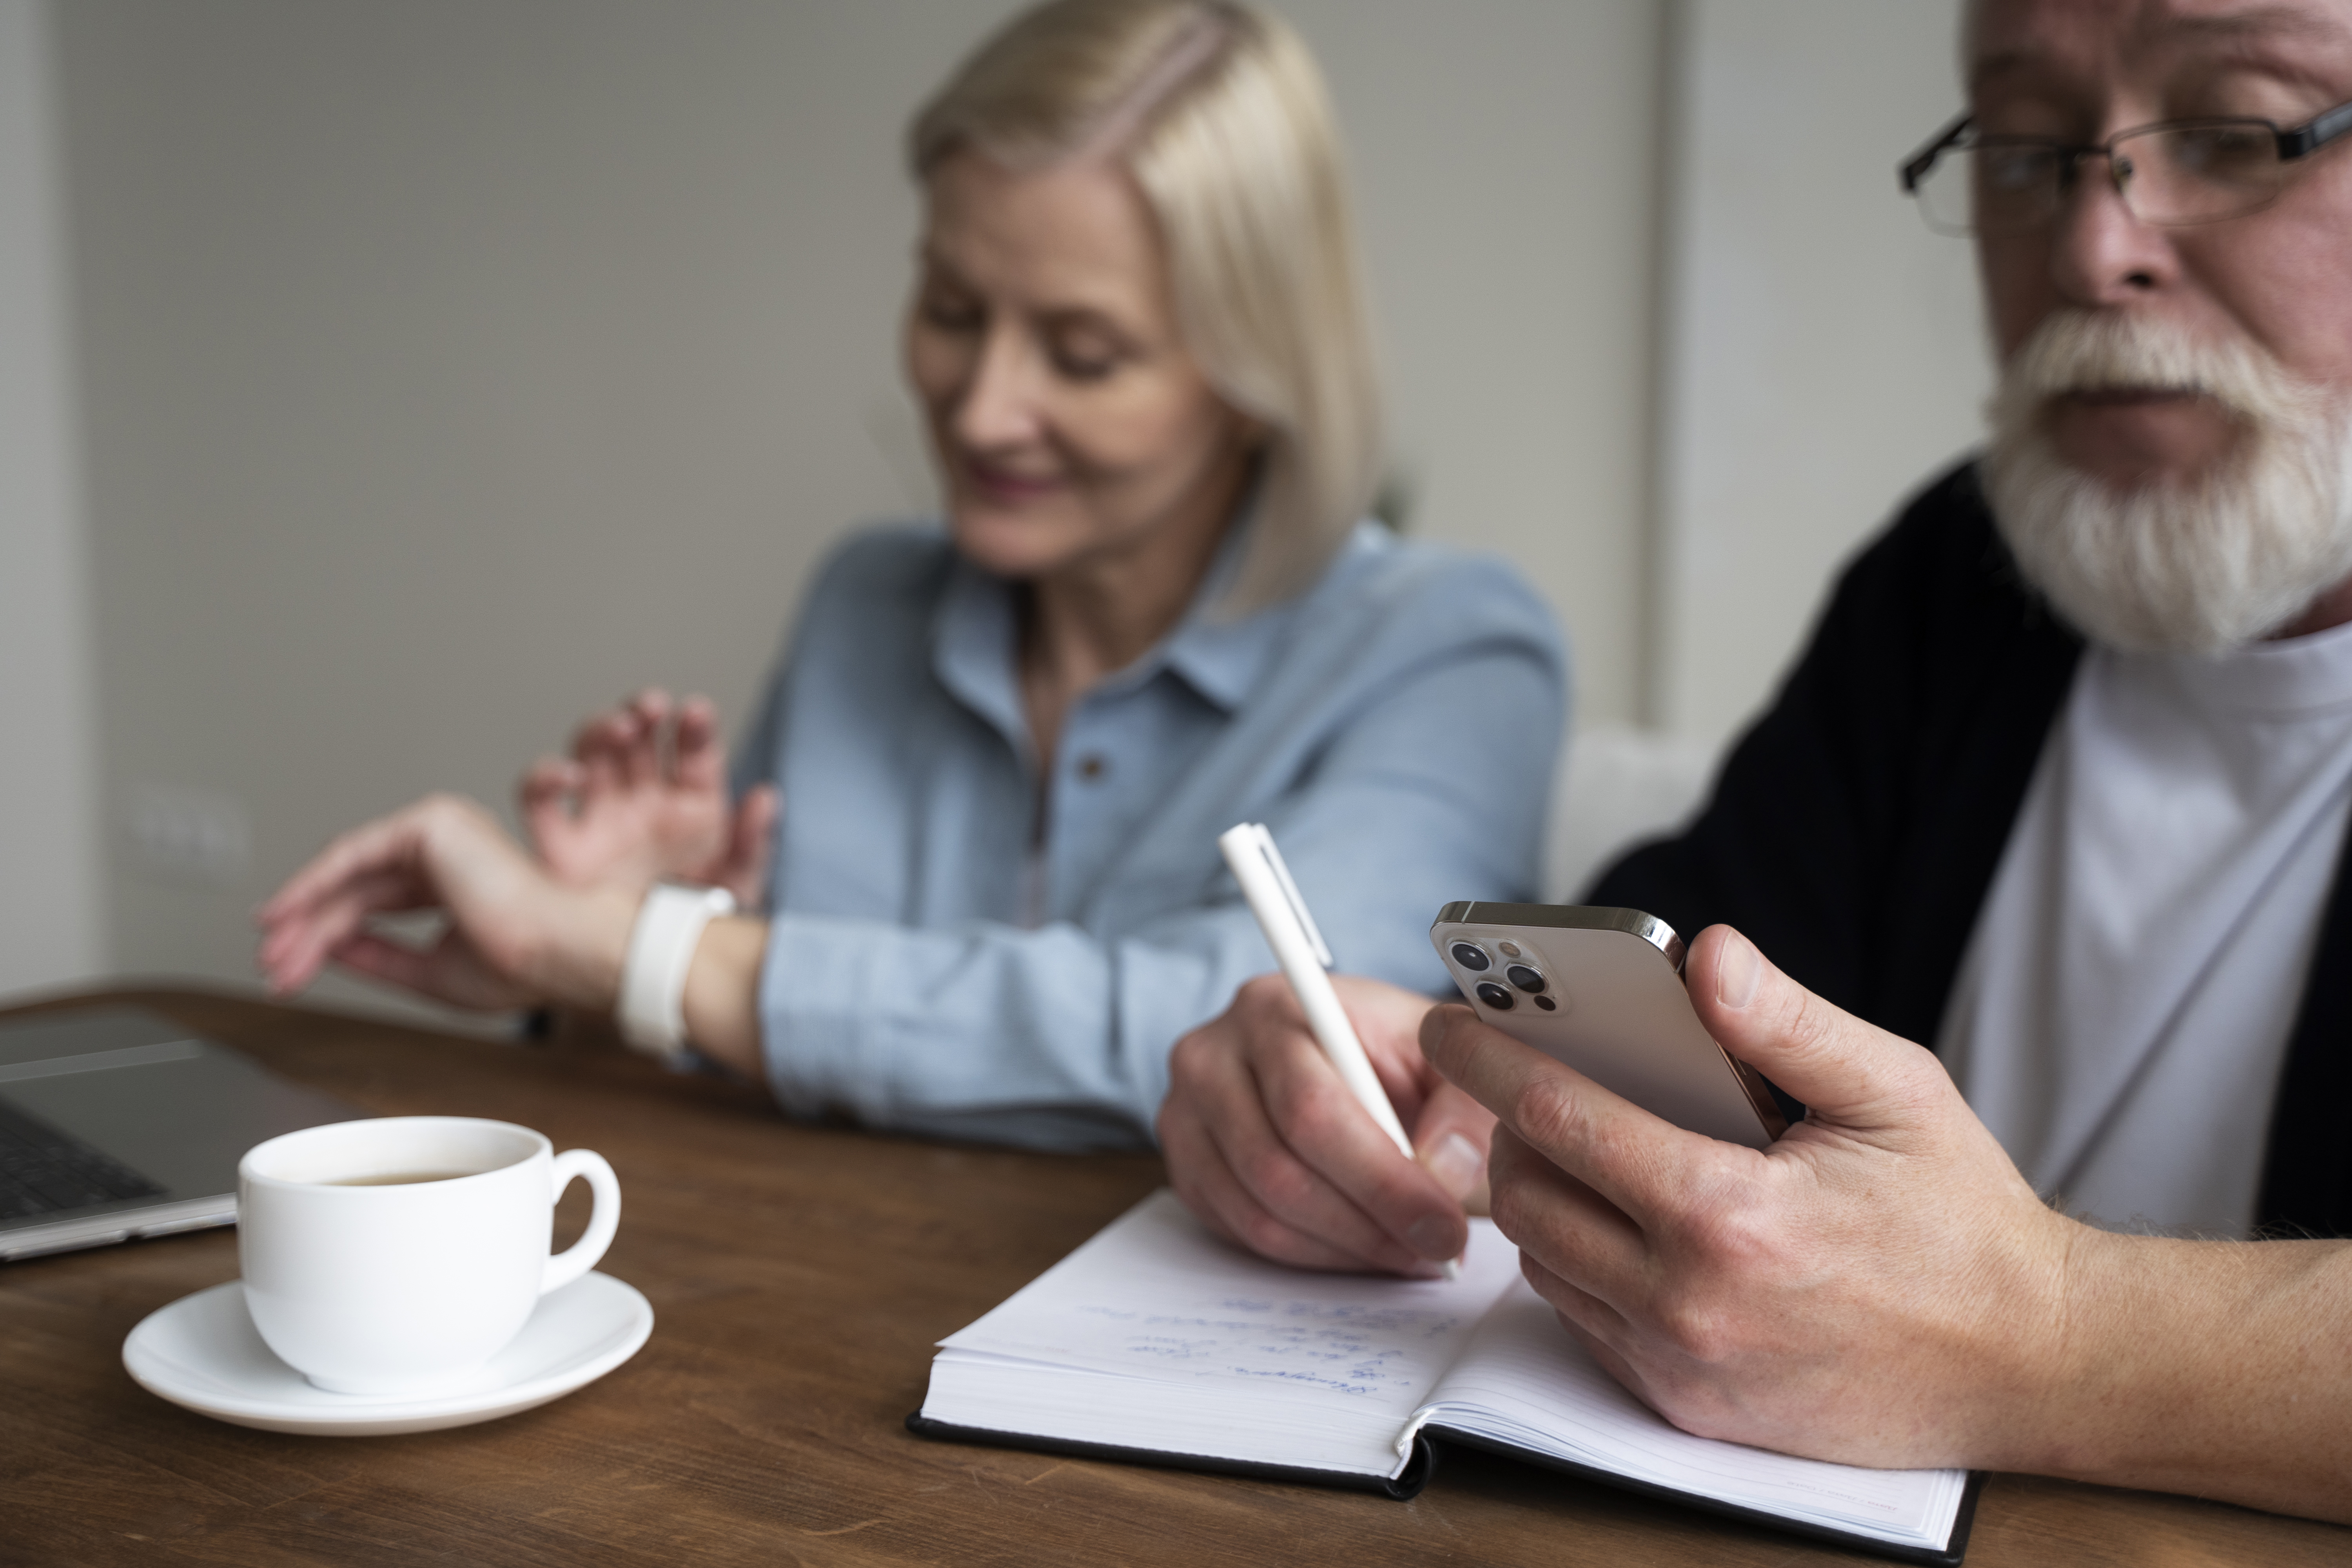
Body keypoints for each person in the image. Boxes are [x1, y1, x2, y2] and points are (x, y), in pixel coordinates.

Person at [1158, 0, 2352, 1521]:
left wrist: (2043, 1333)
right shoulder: (1965, 580)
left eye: (2241, 131)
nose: (2087, 249)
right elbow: (1688, 999)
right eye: (2027, 147)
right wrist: (1405, 1078)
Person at [253, 0, 1564, 1154]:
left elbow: (1260, 1038)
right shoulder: (864, 604)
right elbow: (725, 1068)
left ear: (1254, 376)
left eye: (1086, 352)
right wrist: (635, 938)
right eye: (949, 310)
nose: (983, 410)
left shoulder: (1454, 653)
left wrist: (622, 952)